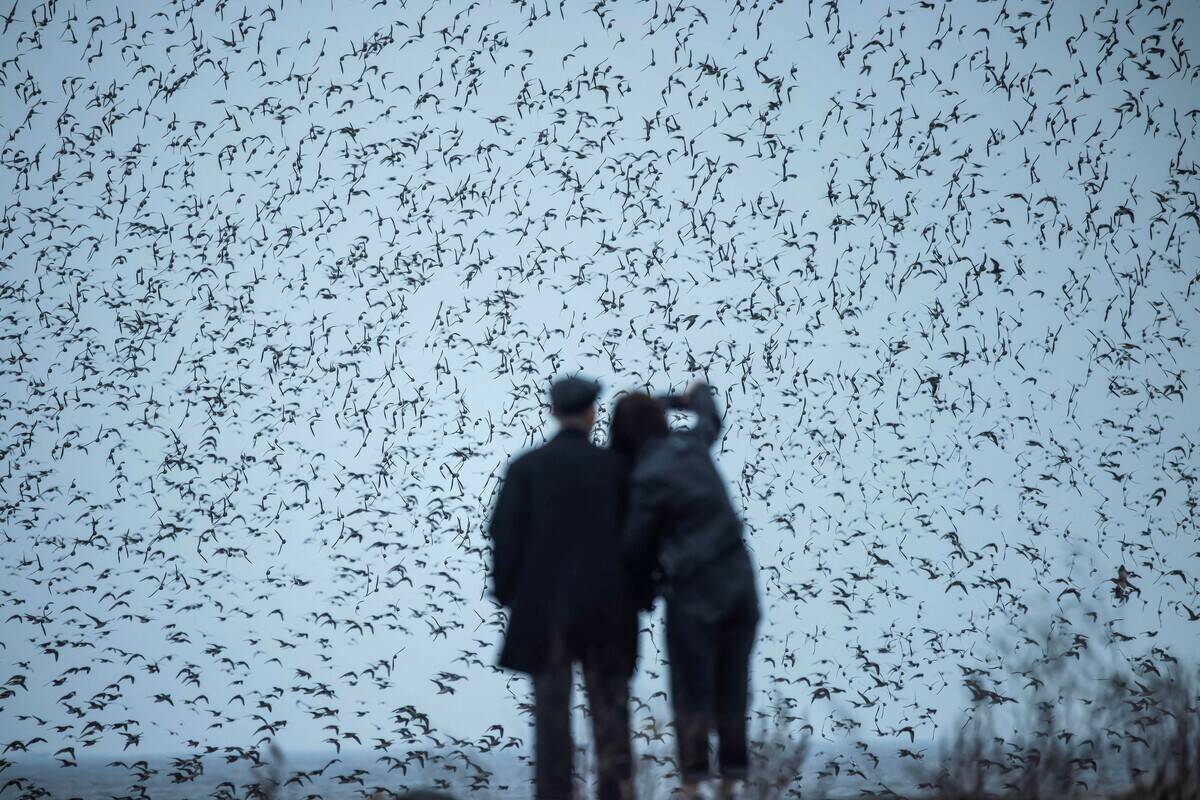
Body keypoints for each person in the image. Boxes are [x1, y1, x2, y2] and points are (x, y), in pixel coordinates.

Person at [488, 374, 642, 800]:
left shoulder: (525, 470)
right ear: (593, 414)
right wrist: (640, 597)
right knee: (611, 721)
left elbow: (504, 539)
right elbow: (641, 540)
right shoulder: (617, 469)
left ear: (554, 413)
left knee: (552, 723)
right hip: (608, 613)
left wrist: (510, 596)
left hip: (544, 614)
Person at [614, 382, 759, 800]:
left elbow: (634, 548)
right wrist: (679, 400)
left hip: (694, 592)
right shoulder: (694, 445)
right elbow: (710, 414)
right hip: (740, 584)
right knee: (733, 683)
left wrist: (641, 591)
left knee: (690, 689)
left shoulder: (645, 477)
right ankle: (734, 779)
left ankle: (694, 782)